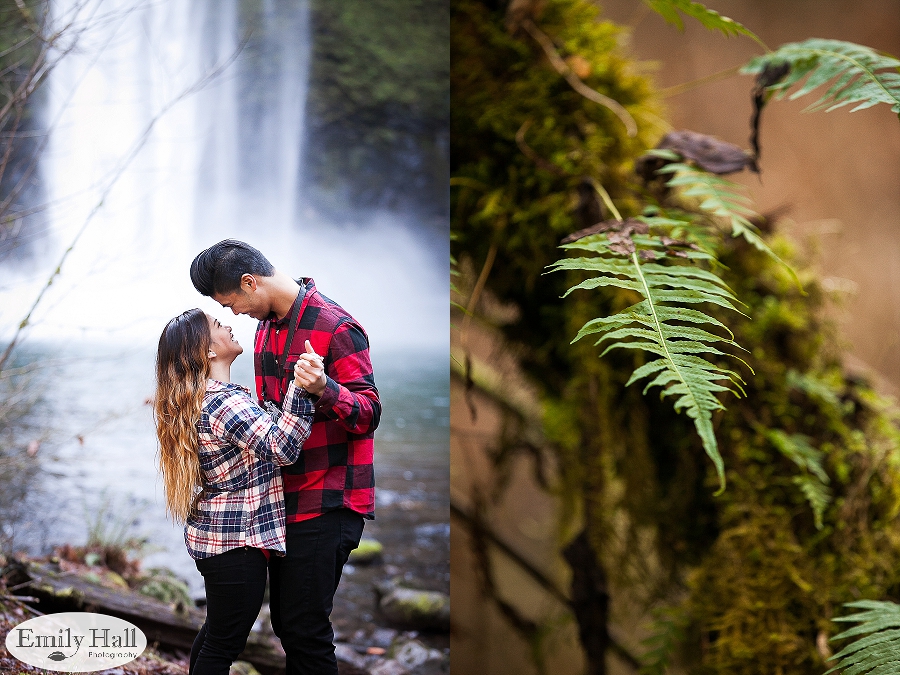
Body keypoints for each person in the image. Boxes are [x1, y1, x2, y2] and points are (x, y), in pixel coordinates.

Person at [189, 240, 380, 675]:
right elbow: (271, 424)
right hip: (283, 502)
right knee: (289, 626)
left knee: (302, 628)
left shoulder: (335, 326)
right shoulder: (266, 328)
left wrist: (324, 389)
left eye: (231, 303)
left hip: (328, 499)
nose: (233, 315)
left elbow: (369, 414)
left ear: (250, 282)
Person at [154, 308, 317, 675]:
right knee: (224, 643)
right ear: (208, 351)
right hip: (236, 543)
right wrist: (301, 389)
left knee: (216, 634)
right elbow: (281, 448)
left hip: (217, 539)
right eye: (217, 325)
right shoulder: (224, 401)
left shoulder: (203, 398)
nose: (227, 325)